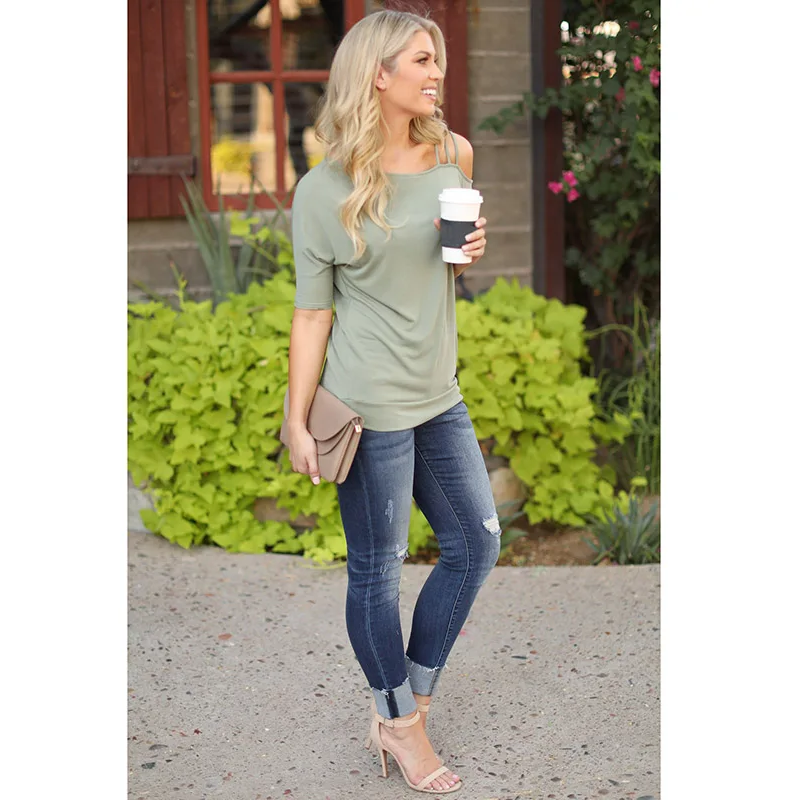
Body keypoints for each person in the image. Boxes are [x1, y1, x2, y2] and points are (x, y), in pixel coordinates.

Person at [286, 9, 499, 795]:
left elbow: (447, 262)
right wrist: (296, 420)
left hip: (439, 394)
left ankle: (409, 702)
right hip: (368, 405)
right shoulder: (325, 189)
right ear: (378, 74)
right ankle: (402, 726)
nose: (436, 72)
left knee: (476, 542)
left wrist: (469, 253)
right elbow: (313, 314)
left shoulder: (453, 154)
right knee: (378, 573)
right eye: (420, 59)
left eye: (436, 59)